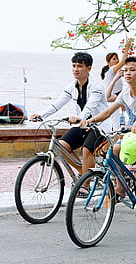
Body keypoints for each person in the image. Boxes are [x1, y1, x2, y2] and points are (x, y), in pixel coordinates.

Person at [81, 56, 136, 232]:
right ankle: (121, 188)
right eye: (125, 70)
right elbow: (108, 111)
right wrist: (89, 120)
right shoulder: (125, 92)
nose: (127, 73)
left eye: (132, 70)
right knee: (115, 149)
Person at [30, 52, 112, 182]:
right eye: (73, 66)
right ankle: (84, 171)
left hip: (100, 126)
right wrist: (41, 115)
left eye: (79, 66)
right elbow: (58, 103)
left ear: (89, 68)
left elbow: (89, 107)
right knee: (61, 146)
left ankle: (85, 184)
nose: (75, 69)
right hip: (83, 125)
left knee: (87, 150)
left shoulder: (96, 87)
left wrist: (79, 117)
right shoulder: (72, 86)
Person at [101, 38, 133, 130]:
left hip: (115, 97)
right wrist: (127, 47)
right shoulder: (111, 70)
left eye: (117, 59)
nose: (116, 61)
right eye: (114, 59)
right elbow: (123, 61)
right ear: (108, 62)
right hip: (110, 98)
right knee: (115, 123)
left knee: (116, 121)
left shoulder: (115, 72)